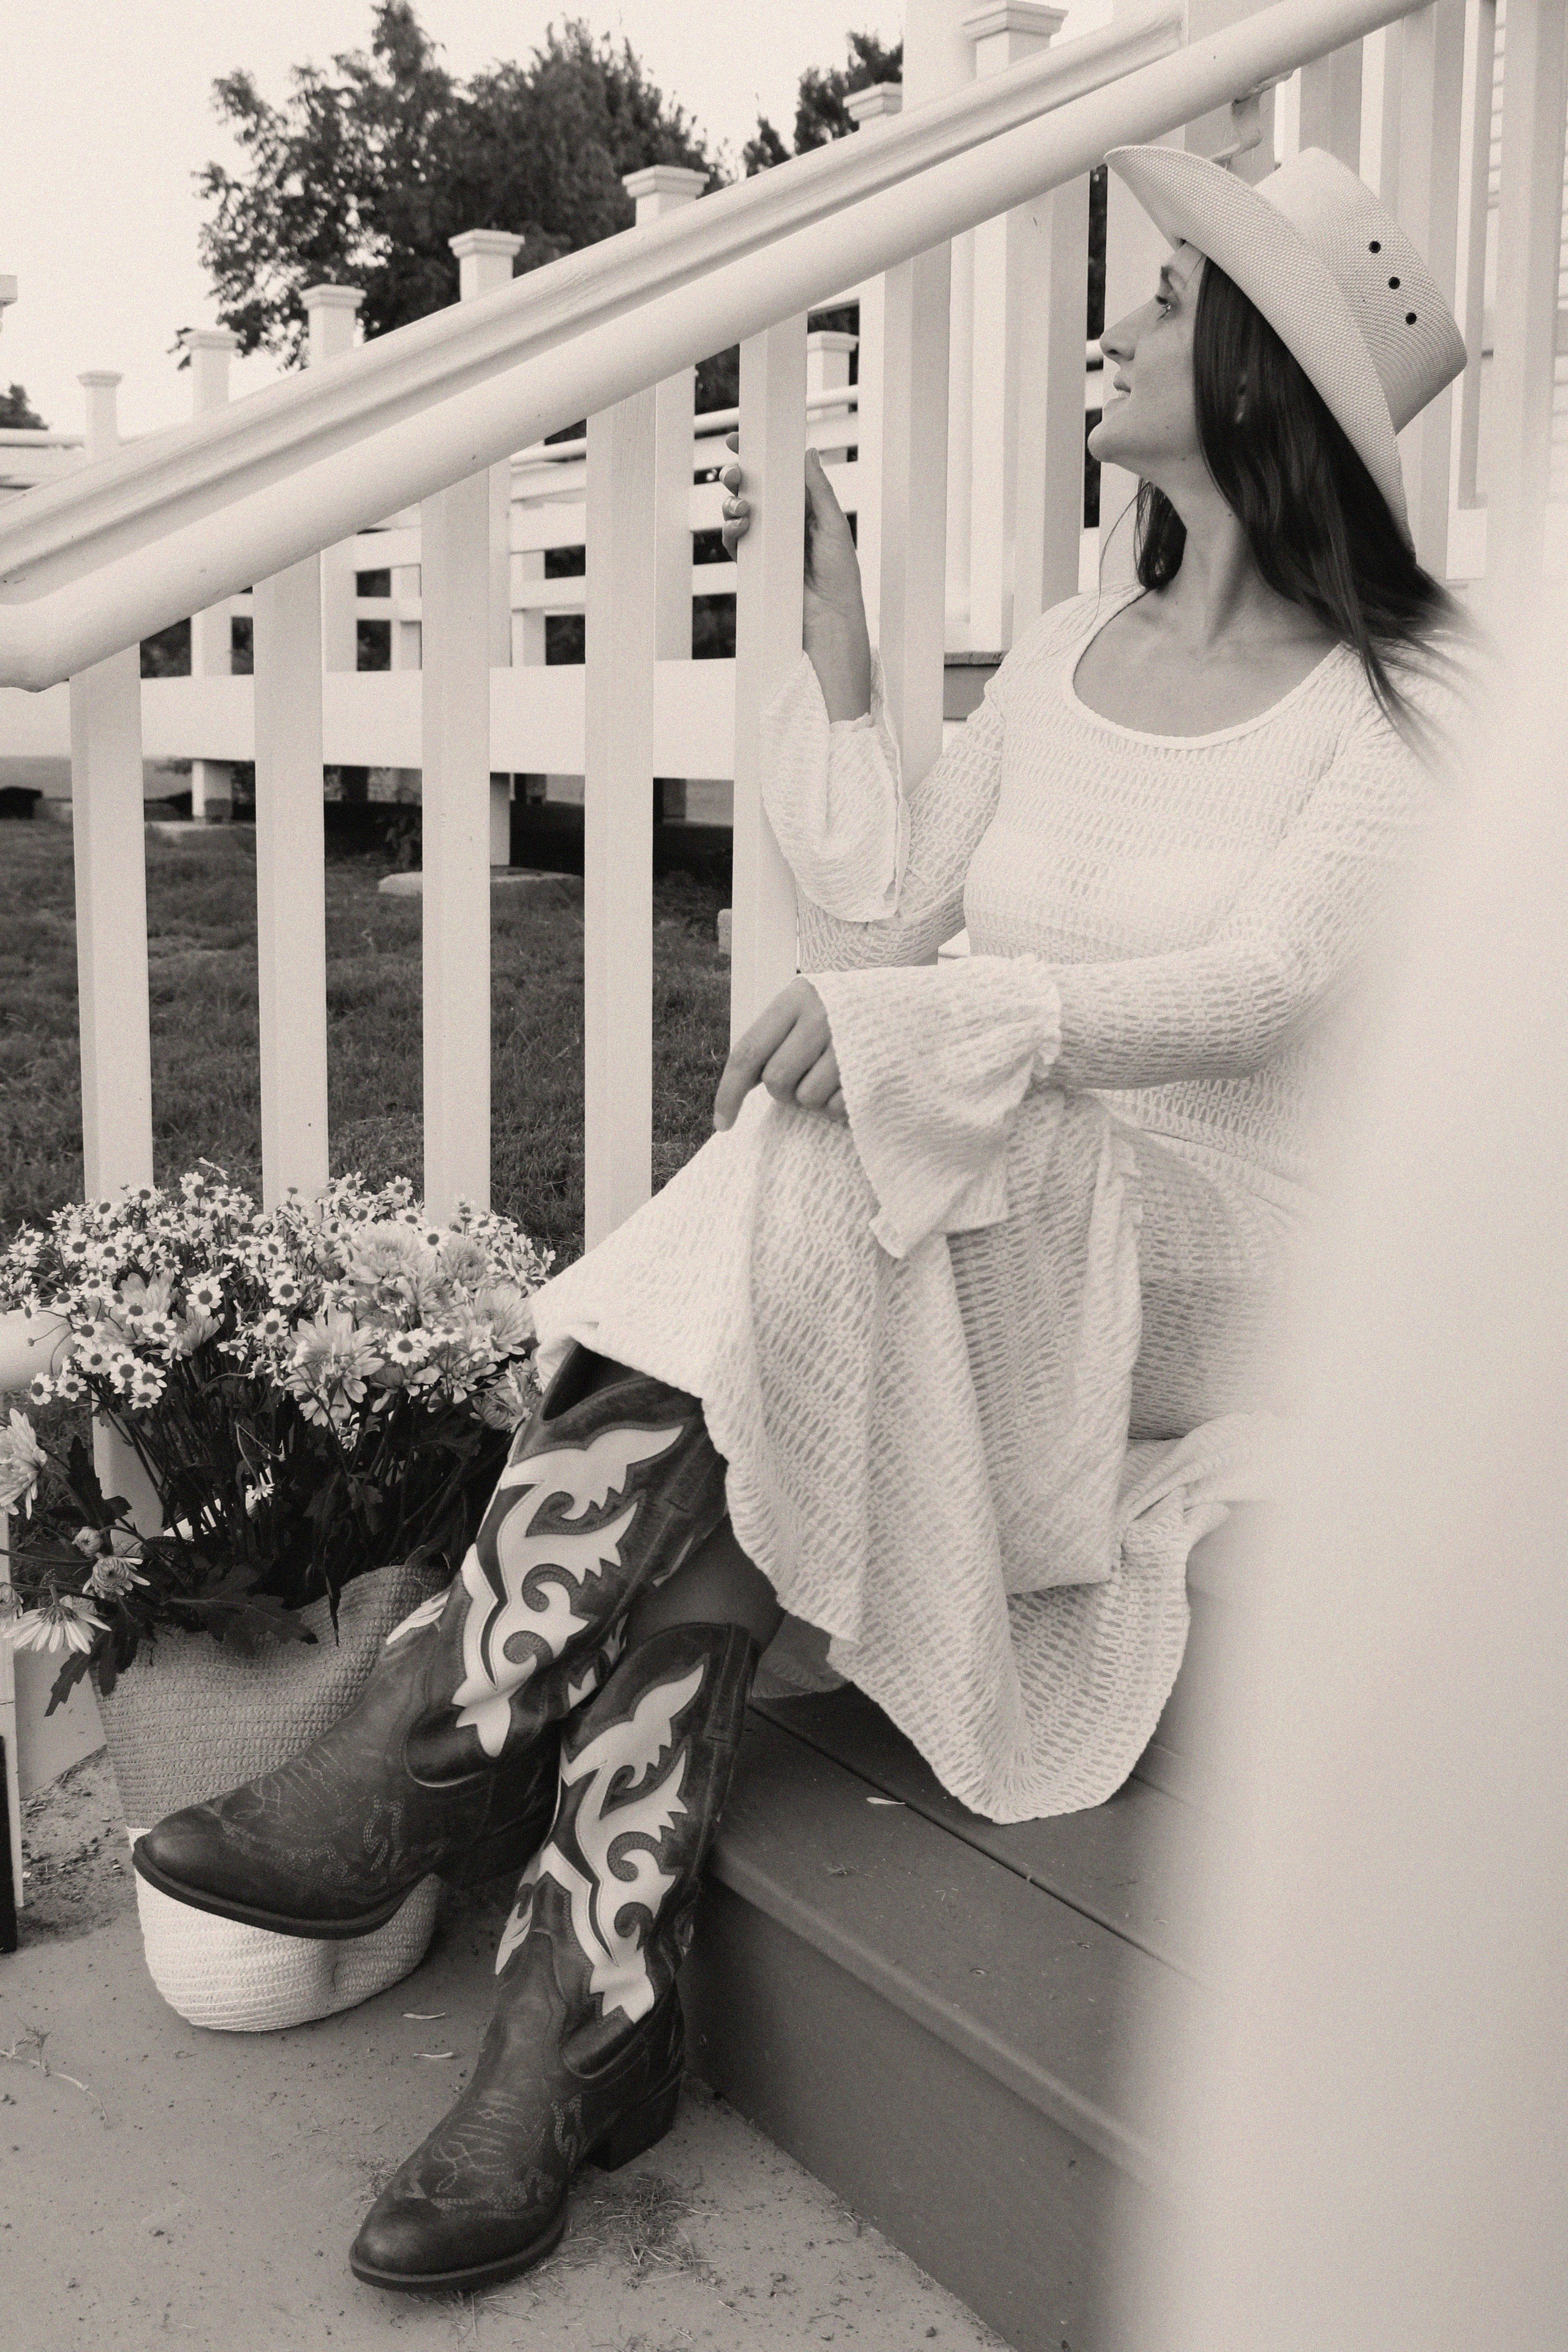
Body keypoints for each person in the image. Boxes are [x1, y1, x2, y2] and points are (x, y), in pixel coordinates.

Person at [132, 143, 1474, 2294]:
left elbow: (1260, 994)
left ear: (1252, 380)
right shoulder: (1060, 655)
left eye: (1161, 306)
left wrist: (960, 1031)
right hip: (998, 1198)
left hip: (1217, 1252)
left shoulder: (1405, 706)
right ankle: (582, 2010)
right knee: (819, 1244)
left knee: (861, 1162)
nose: (1120, 331)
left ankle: (443, 1727)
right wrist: (847, 673)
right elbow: (887, 911)